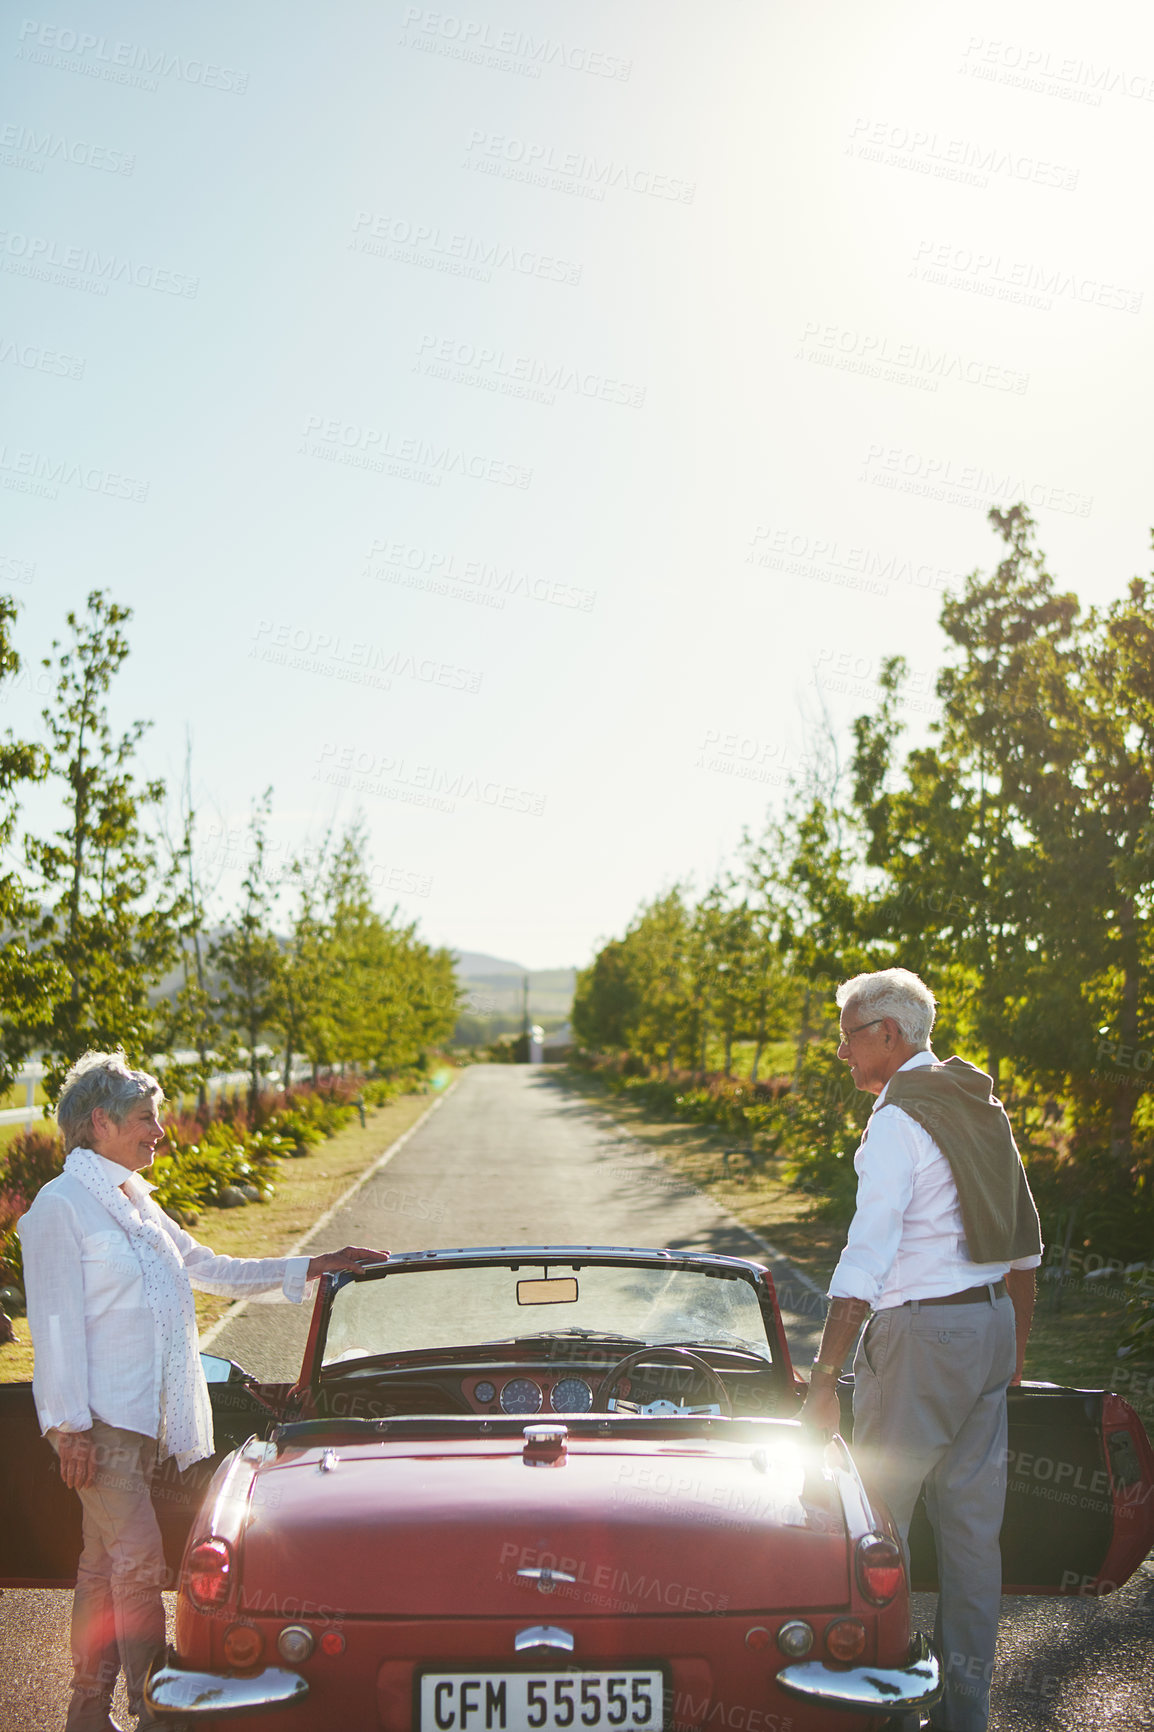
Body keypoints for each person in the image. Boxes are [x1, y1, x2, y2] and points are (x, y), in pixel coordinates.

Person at [17, 1051, 389, 1732]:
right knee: (140, 1564)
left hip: (141, 1414)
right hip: (95, 1422)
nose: (158, 1131)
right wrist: (66, 1427)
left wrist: (318, 1266)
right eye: (143, 1118)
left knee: (102, 1568)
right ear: (99, 1122)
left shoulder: (135, 1202)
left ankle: (85, 1712)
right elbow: (56, 1323)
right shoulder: (59, 1209)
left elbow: (208, 1267)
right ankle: (152, 1711)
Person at [800, 969, 1042, 1732]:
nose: (841, 1050)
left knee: (879, 1532)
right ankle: (967, 1714)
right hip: (989, 1325)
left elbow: (866, 1256)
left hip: (921, 1340)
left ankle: (886, 1713)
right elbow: (1025, 1246)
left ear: (889, 1036)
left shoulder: (900, 1120)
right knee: (974, 1540)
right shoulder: (978, 1102)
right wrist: (1015, 1347)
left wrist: (825, 1376)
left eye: (848, 1034)